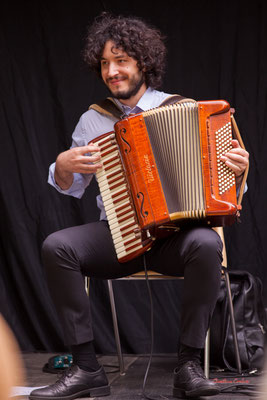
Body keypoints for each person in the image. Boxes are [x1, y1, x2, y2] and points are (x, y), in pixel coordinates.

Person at [29, 12, 249, 400]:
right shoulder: (92, 121)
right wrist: (61, 166)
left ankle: (189, 367)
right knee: (56, 246)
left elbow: (227, 195)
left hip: (173, 242)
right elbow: (70, 188)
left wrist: (238, 171)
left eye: (121, 60)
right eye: (104, 63)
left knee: (207, 243)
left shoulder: (189, 111)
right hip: (118, 235)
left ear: (142, 63)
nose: (111, 71)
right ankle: (86, 369)